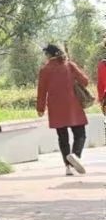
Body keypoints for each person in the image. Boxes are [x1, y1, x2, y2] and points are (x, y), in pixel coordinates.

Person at [37, 43, 89, 176]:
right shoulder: (69, 65)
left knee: (63, 138)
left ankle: (68, 167)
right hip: (73, 105)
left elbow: (41, 91)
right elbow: (85, 81)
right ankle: (75, 155)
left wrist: (40, 108)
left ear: (49, 55)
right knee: (80, 134)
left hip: (55, 107)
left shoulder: (45, 70)